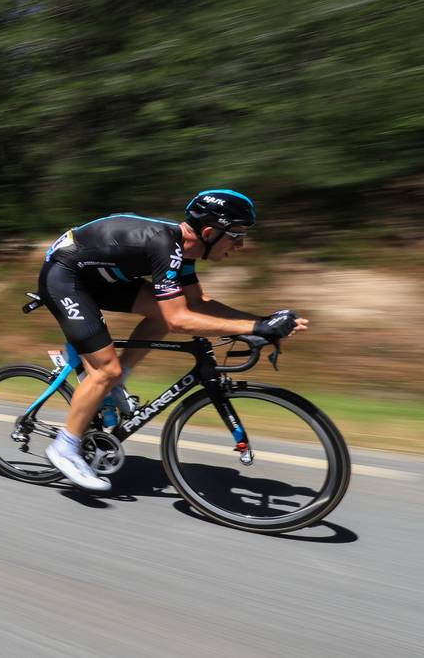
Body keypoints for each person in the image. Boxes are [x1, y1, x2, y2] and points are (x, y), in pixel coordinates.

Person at [36, 189, 307, 491]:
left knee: (159, 317)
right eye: (236, 235)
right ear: (209, 232)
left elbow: (199, 303)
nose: (241, 245)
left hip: (101, 278)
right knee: (106, 369)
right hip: (66, 278)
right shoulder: (165, 246)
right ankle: (65, 447)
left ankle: (115, 381)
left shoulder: (184, 252)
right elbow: (179, 320)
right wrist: (255, 327)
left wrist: (261, 321)